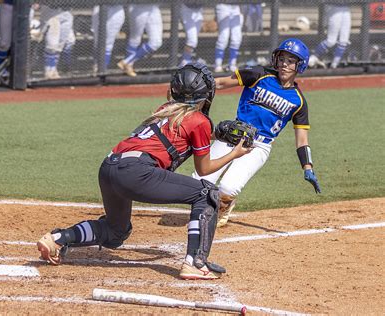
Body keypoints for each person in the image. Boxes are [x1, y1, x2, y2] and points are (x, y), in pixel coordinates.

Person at [37, 63, 252, 280]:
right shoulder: (200, 121)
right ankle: (195, 262)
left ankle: (59, 238)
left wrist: (215, 135)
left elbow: (181, 130)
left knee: (116, 230)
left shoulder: (165, 109)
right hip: (136, 173)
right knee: (207, 194)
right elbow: (203, 168)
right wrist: (234, 154)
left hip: (109, 167)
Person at [193, 38, 321, 227]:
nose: (284, 64)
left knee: (228, 187)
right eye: (282, 58)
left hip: (259, 146)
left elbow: (302, 140)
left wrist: (307, 167)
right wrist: (194, 86)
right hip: (233, 134)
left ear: (299, 66)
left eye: (291, 61)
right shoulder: (259, 74)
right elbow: (220, 83)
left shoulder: (298, 101)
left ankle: (224, 205)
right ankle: (208, 205)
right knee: (198, 182)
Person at [117, 4, 163, 77]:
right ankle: (128, 67)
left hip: (154, 7)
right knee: (135, 38)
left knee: (156, 42)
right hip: (138, 6)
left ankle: (127, 61)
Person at [36, 3, 75, 79]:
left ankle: (53, 69)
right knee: (52, 45)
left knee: (61, 44)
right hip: (51, 12)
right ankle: (48, 71)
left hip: (67, 12)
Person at [91, 5, 125, 71]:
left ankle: (103, 70)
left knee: (109, 44)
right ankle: (96, 67)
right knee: (97, 42)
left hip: (116, 10)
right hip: (99, 7)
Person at [214, 4, 243, 73]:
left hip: (235, 6)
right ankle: (218, 64)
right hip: (223, 5)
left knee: (237, 38)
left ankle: (232, 64)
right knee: (223, 37)